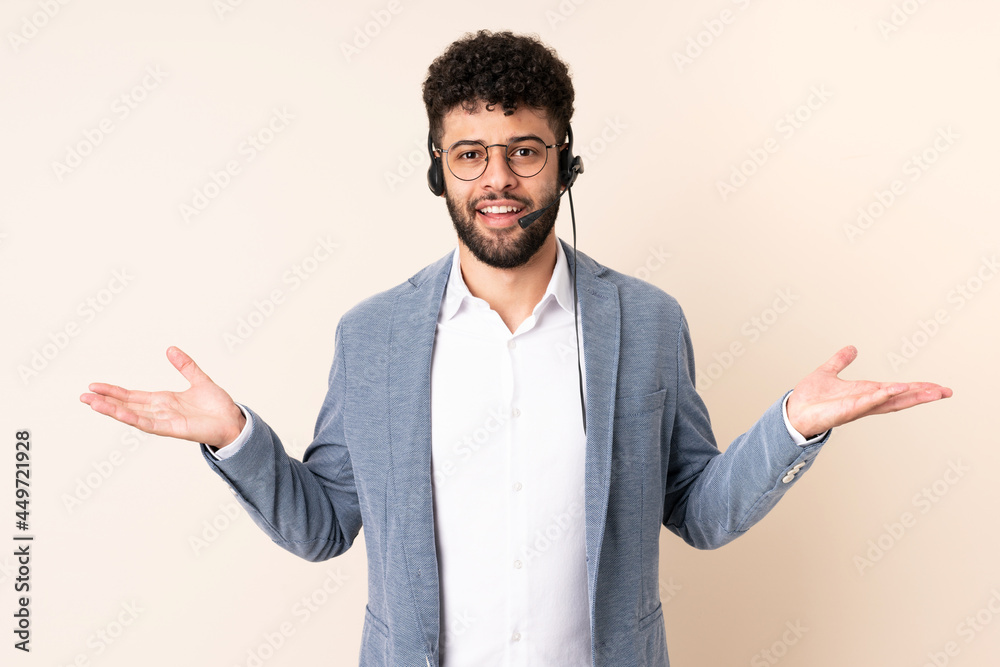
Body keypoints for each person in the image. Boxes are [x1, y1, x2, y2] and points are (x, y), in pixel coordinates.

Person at [80, 30, 952, 667]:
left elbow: (699, 509)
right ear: (438, 168)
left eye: (524, 150)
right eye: (470, 154)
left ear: (564, 160)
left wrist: (793, 424)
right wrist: (233, 436)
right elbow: (325, 525)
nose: (497, 177)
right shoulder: (373, 336)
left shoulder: (646, 322)